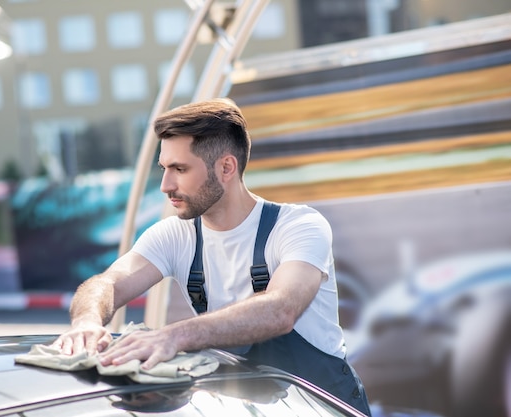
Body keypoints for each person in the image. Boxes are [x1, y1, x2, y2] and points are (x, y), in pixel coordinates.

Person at [52, 98, 371, 415]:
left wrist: (174, 336)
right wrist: (86, 321)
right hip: (244, 408)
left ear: (226, 168)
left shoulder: (298, 226)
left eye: (180, 169)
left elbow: (281, 309)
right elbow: (108, 283)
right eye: (164, 168)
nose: (165, 185)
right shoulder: (174, 235)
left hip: (323, 406)